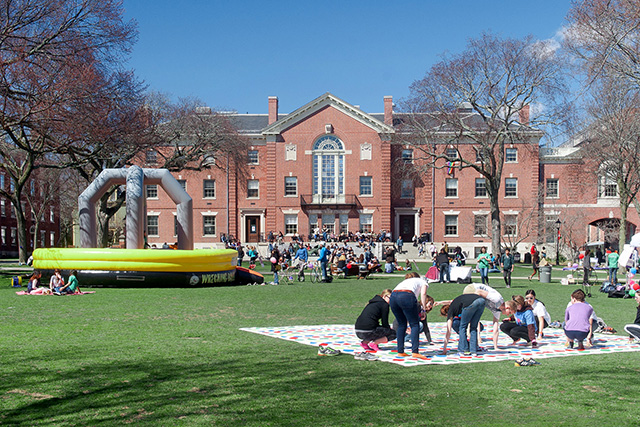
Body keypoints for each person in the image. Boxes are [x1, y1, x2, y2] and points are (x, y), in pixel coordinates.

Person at [388, 272, 430, 360]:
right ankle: (415, 351)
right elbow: (423, 294)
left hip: (393, 296)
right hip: (407, 296)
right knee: (414, 324)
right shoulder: (423, 282)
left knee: (401, 324)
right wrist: (423, 309)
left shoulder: (406, 282)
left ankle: (400, 351)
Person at [463, 282, 510, 350]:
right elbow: (479, 291)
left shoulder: (498, 310)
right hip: (472, 289)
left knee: (477, 312)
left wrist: (495, 347)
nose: (508, 315)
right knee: (476, 312)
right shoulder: (497, 299)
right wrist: (471, 302)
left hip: (478, 295)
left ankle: (473, 343)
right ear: (507, 307)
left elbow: (495, 328)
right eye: (510, 312)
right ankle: (470, 341)